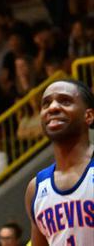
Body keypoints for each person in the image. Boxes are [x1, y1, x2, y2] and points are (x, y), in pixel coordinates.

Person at [25, 78, 94, 246]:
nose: (53, 107)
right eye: (46, 103)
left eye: (65, 101)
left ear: (89, 116)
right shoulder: (36, 188)